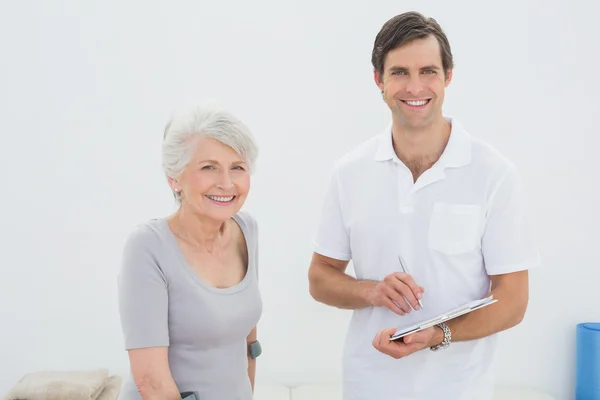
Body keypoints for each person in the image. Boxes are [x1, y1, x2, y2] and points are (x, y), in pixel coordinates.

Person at [308, 11, 540, 400]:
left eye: (428, 71)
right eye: (399, 72)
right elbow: (319, 277)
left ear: (448, 76)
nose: (415, 87)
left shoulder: (494, 174)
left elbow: (513, 300)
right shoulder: (349, 172)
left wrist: (439, 334)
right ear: (378, 80)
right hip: (369, 385)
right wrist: (371, 291)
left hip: (460, 388)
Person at [117, 102, 262, 400]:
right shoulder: (147, 246)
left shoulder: (246, 229)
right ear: (174, 177)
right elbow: (151, 381)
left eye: (237, 167)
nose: (226, 183)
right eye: (209, 167)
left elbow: (249, 340)